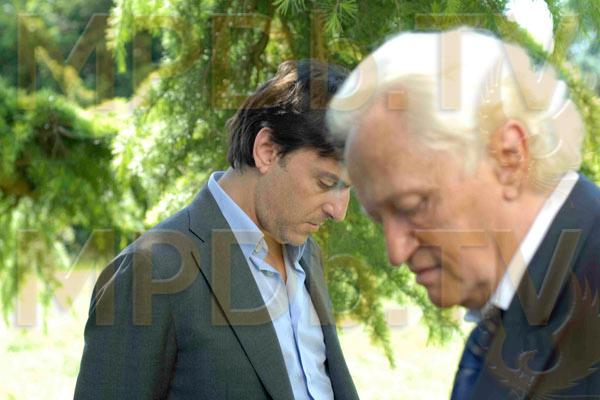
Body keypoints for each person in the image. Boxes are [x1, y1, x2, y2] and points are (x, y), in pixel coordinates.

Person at [327, 27, 600, 399]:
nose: (396, 252)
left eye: (412, 206)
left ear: (509, 157)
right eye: (378, 220)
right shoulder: (508, 310)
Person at [74, 60, 359, 400]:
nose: (339, 212)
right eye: (326, 182)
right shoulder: (150, 270)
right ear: (267, 151)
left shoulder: (305, 253)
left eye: (349, 189)